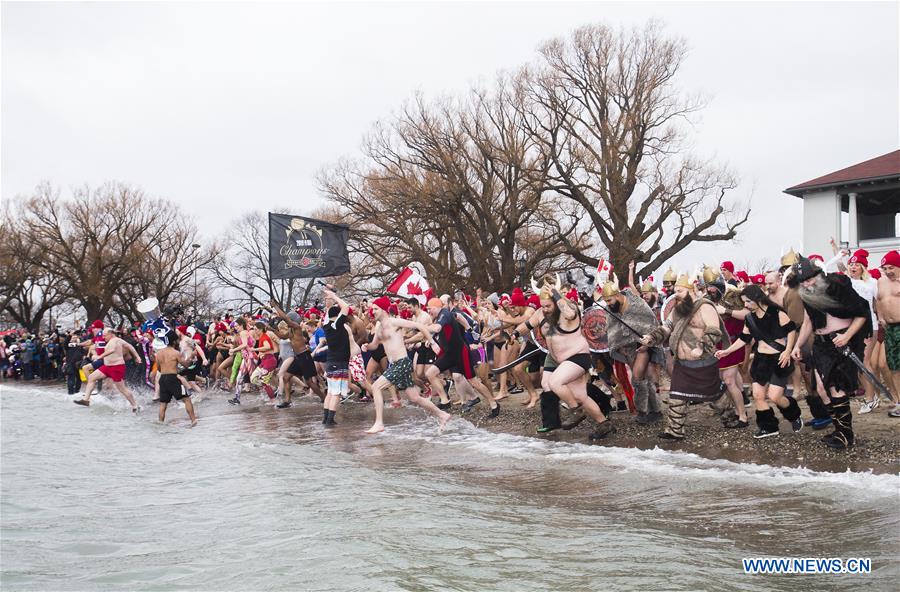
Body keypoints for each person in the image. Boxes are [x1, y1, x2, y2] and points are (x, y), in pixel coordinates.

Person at [517, 275, 615, 440]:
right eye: (543, 306)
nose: (545, 309)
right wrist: (512, 334)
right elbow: (527, 325)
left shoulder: (569, 308)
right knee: (578, 395)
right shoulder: (541, 313)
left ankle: (576, 410)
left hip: (578, 356)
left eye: (548, 305)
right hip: (559, 360)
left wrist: (556, 294)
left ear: (556, 302)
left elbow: (569, 313)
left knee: (555, 382)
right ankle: (603, 424)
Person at [789, 256, 872, 449]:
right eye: (803, 281)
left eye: (810, 279)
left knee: (836, 388)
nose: (807, 284)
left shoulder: (838, 286)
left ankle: (846, 434)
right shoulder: (806, 294)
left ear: (820, 275)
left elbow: (862, 314)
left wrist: (847, 336)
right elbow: (809, 322)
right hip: (821, 345)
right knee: (820, 389)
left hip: (843, 342)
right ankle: (839, 429)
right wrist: (797, 346)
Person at [641, 272, 728, 441]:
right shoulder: (678, 308)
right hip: (682, 363)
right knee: (676, 396)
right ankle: (674, 431)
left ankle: (730, 416)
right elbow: (666, 328)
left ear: (692, 289)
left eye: (680, 291)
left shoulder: (705, 306)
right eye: (676, 291)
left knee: (715, 397)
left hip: (702, 362)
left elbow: (714, 330)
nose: (676, 294)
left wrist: (701, 347)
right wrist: (651, 337)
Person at [716, 285, 800, 438]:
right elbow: (744, 338)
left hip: (778, 359)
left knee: (775, 397)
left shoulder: (777, 312)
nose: (746, 305)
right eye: (744, 303)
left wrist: (788, 351)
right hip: (761, 360)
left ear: (758, 298)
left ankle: (794, 415)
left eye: (748, 301)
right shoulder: (749, 318)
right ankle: (769, 427)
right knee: (758, 395)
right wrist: (727, 351)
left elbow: (791, 330)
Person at [362, 296, 452, 434]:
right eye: (372, 309)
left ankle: (379, 423)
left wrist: (432, 342)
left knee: (375, 387)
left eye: (375, 309)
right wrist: (367, 346)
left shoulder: (394, 322)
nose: (372, 311)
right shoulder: (379, 327)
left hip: (402, 363)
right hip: (395, 364)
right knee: (415, 398)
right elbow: (375, 344)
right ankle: (442, 415)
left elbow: (420, 326)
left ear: (383, 310)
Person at [601, 266, 663, 424]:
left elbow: (650, 322)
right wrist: (619, 345)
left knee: (636, 378)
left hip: (644, 345)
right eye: (606, 301)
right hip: (627, 348)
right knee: (644, 379)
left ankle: (642, 410)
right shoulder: (611, 309)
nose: (608, 304)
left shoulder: (636, 303)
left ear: (617, 295)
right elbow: (612, 330)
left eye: (609, 300)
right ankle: (655, 411)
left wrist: (648, 342)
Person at [74, 327, 141, 412]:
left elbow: (112, 350)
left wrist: (99, 357)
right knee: (91, 377)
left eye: (105, 336)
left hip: (116, 367)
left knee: (122, 389)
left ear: (111, 334)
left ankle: (135, 405)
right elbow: (129, 346)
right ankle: (86, 400)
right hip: (107, 366)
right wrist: (137, 356)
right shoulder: (116, 340)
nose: (103, 337)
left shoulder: (114, 340)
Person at [875, 250, 900, 417]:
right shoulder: (881, 281)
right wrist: (881, 317)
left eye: (892, 267)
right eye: (885, 268)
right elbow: (879, 299)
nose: (888, 271)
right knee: (894, 366)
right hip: (890, 328)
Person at [155, 330, 199, 426]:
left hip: (162, 379)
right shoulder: (175, 353)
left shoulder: (159, 353)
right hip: (172, 378)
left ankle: (160, 424)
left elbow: (158, 368)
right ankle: (193, 421)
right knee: (187, 399)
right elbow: (186, 365)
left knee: (163, 403)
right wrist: (191, 356)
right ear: (174, 341)